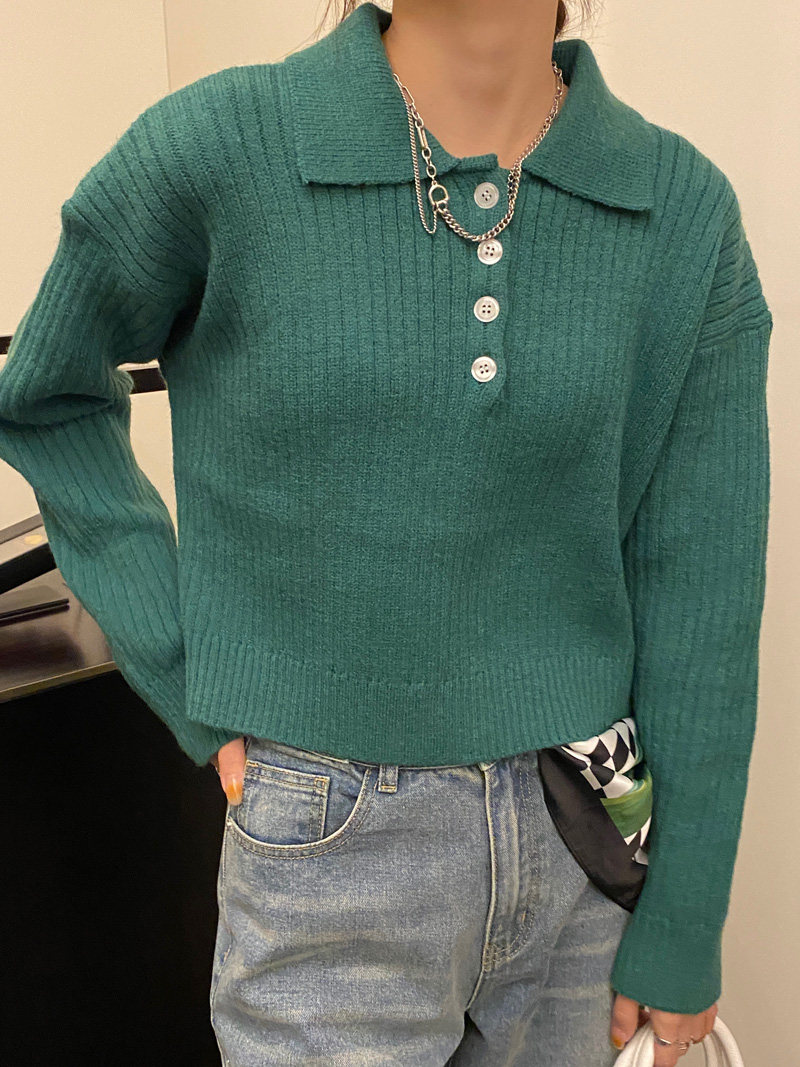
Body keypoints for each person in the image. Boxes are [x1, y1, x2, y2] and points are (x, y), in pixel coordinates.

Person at [0, 1, 772, 1064]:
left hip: (587, 844)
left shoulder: (680, 210)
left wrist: (685, 920)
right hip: (328, 844)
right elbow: (49, 395)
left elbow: (703, 593)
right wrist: (186, 665)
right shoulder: (220, 149)